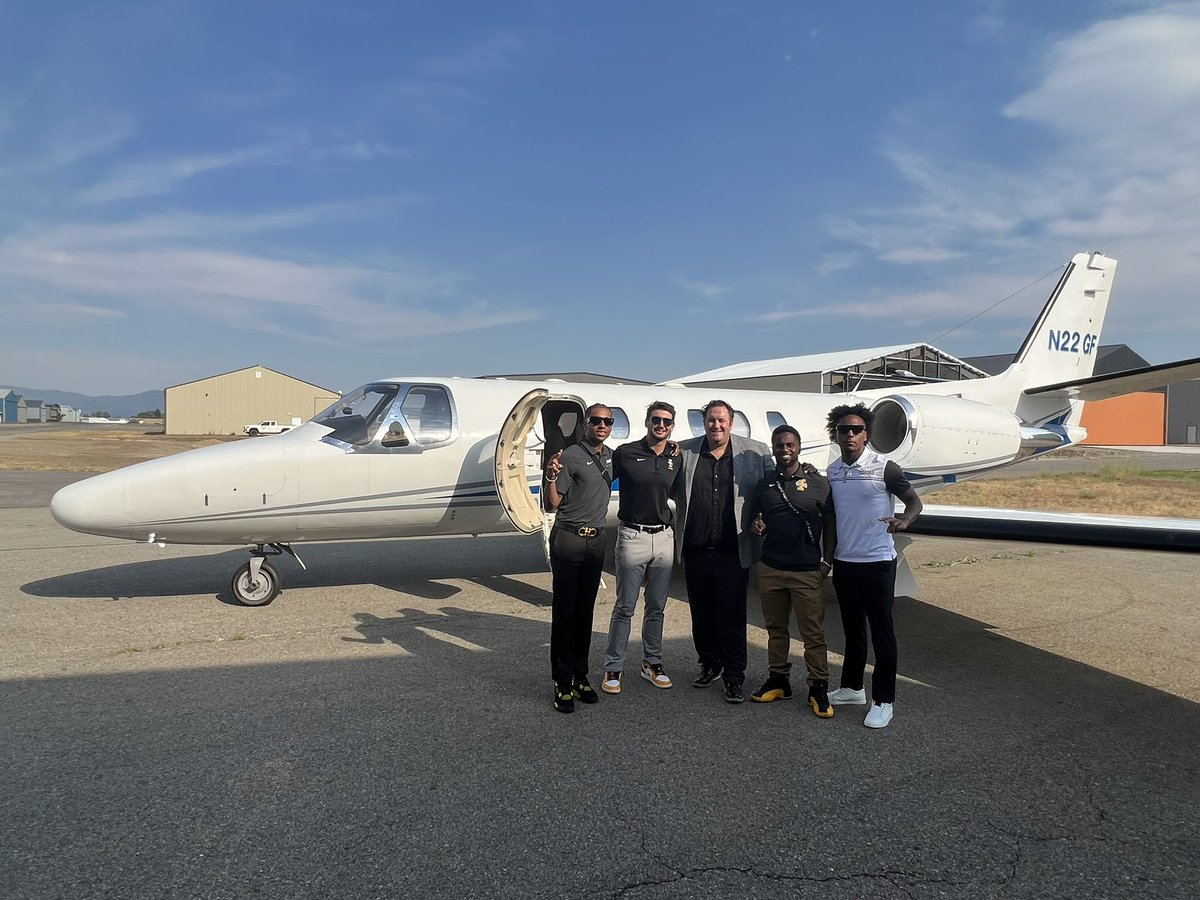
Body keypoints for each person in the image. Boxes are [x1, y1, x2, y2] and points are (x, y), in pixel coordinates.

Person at [824, 403, 923, 729]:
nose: (849, 434)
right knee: (853, 631)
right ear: (835, 434)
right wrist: (829, 558)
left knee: (882, 633)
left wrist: (905, 520)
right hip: (846, 563)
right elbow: (834, 518)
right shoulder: (834, 471)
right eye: (843, 430)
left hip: (878, 562)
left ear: (866, 434)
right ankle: (853, 688)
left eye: (856, 429)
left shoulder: (885, 468)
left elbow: (914, 501)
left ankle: (884, 701)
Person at [673, 400, 772, 704]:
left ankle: (734, 676)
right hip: (696, 548)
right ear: (703, 424)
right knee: (701, 613)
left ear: (731, 422)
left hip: (734, 549)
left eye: (722, 421)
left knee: (731, 615)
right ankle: (710, 664)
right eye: (711, 421)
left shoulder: (755, 452)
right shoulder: (685, 451)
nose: (716, 426)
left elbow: (773, 487)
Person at [746, 425, 837, 717]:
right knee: (776, 629)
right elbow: (760, 518)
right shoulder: (765, 485)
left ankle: (818, 686)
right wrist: (758, 526)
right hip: (771, 567)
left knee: (812, 633)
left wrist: (827, 561)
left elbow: (831, 523)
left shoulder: (818, 483)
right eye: (779, 445)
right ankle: (779, 679)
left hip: (807, 570)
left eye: (789, 445)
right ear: (773, 449)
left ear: (798, 448)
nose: (784, 450)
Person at [601, 403, 683, 695]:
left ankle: (652, 663)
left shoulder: (677, 457)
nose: (661, 425)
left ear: (672, 426)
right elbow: (599, 481)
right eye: (656, 420)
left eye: (667, 421)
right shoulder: (626, 452)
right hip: (632, 536)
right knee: (625, 606)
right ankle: (613, 666)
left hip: (663, 537)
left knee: (657, 607)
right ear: (647, 421)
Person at [544, 404, 614, 714]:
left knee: (585, 613)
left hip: (596, 541)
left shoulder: (612, 456)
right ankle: (561, 682)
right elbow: (553, 502)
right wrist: (549, 476)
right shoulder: (570, 455)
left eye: (607, 421)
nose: (602, 425)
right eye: (596, 420)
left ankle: (580, 676)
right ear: (586, 424)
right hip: (569, 538)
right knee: (565, 612)